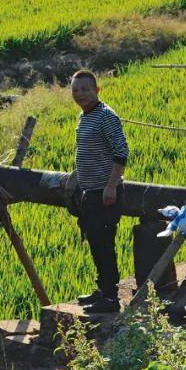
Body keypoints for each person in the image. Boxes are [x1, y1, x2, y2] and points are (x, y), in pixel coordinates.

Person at [70, 69, 129, 313]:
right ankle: (102, 290)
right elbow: (88, 153)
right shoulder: (85, 117)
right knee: (95, 242)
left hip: (104, 193)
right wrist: (75, 176)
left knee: (104, 244)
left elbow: (121, 151)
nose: (80, 94)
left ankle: (111, 298)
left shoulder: (106, 116)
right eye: (75, 90)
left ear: (97, 89)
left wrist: (111, 186)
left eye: (85, 89)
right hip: (89, 191)